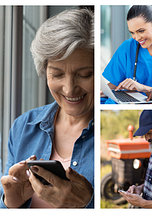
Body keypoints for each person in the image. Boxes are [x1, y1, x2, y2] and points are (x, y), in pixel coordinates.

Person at [0, 8, 94, 208]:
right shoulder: (23, 126)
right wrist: (11, 203)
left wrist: (87, 205)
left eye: (85, 74)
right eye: (57, 75)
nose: (69, 89)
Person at [101, 5, 152, 104]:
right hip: (130, 103)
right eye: (132, 32)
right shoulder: (127, 48)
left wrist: (143, 88)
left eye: (141, 31)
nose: (137, 37)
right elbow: (115, 84)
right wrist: (104, 92)